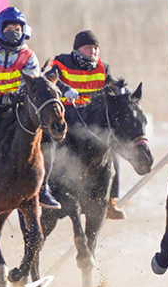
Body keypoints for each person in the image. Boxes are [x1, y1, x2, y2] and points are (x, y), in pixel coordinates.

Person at [0, 7, 63, 215]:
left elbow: (34, 83)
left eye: (17, 28)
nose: (13, 31)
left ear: (24, 31)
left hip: (19, 111)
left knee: (45, 139)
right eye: (9, 28)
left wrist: (18, 96)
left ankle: (43, 188)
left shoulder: (28, 56)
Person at [47, 30, 131, 219]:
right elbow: (48, 79)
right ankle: (46, 191)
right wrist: (64, 88)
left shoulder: (103, 68)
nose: (93, 52)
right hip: (66, 117)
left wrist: (123, 90)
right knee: (51, 148)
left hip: (92, 121)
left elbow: (111, 85)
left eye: (96, 48)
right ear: (78, 49)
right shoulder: (61, 62)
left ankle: (109, 200)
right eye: (88, 47)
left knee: (110, 152)